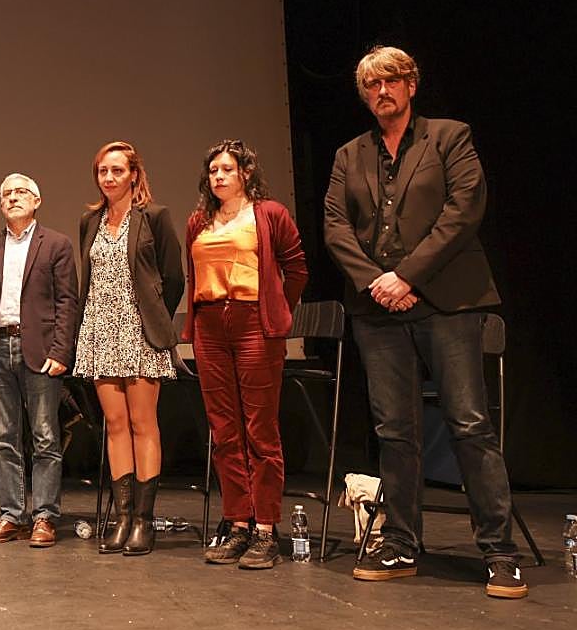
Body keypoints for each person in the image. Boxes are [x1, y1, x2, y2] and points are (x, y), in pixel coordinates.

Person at [324, 45, 525, 599]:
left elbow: (464, 210)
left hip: (446, 302)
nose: (381, 91)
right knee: (395, 430)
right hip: (376, 308)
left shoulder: (449, 137)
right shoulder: (349, 154)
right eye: (371, 85)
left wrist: (406, 276)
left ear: (411, 85)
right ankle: (402, 543)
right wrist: (374, 281)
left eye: (390, 81)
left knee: (468, 423)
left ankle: (499, 552)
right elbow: (337, 227)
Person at [182, 140, 307, 569]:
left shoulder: (269, 214)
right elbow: (192, 274)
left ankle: (266, 528)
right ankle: (237, 523)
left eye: (227, 169)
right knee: (224, 429)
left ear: (245, 174)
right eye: (213, 169)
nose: (218, 176)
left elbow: (297, 268)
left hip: (256, 323)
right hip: (210, 326)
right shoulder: (198, 221)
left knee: (260, 428)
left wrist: (278, 311)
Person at [73, 140, 183, 556]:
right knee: (115, 425)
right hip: (100, 329)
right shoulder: (90, 221)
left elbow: (173, 278)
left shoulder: (154, 217)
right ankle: (121, 517)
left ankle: (144, 520)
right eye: (103, 171)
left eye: (117, 170)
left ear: (133, 175)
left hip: (140, 330)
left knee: (143, 423)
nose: (109, 178)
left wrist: (152, 317)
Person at [0, 174, 78, 548]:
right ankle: (11, 515)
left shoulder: (57, 244)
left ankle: (45, 516)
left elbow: (67, 302)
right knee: (4, 439)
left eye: (21, 193)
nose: (13, 198)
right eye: (7, 194)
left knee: (46, 437)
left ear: (37, 200)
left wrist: (62, 351)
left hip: (42, 351)